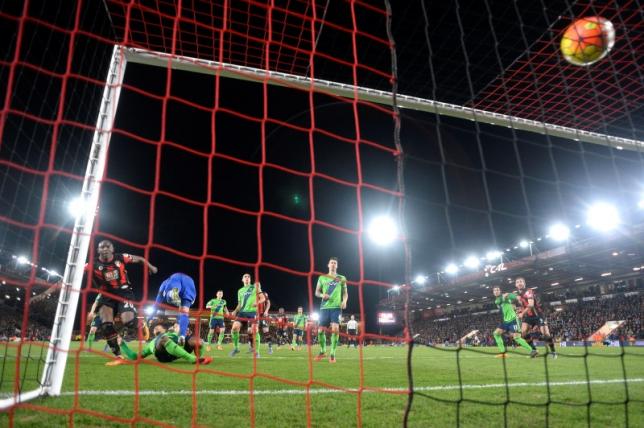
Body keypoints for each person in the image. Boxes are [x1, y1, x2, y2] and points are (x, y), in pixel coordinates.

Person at [87, 240, 157, 366]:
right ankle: (119, 357)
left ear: (112, 249)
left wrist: (151, 267)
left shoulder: (121, 258)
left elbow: (140, 259)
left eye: (107, 246)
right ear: (98, 250)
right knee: (106, 325)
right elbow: (76, 272)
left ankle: (141, 323)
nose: (104, 248)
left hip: (124, 292)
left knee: (128, 321)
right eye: (101, 247)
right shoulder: (93, 264)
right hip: (107, 296)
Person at [118, 320, 212, 365]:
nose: (155, 328)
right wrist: (122, 344)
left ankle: (200, 358)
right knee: (164, 339)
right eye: (154, 328)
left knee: (198, 341)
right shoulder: (151, 344)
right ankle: (193, 359)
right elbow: (135, 357)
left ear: (164, 329)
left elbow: (181, 329)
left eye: (158, 326)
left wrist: (179, 328)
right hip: (163, 355)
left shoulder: (173, 333)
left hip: (178, 348)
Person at [314, 257, 348, 363]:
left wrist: (344, 301)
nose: (333, 264)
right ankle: (323, 351)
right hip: (324, 307)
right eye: (331, 263)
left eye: (335, 263)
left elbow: (345, 293)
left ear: (337, 266)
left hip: (336, 308)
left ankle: (332, 353)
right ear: (328, 265)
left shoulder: (341, 278)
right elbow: (317, 292)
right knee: (320, 331)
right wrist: (322, 295)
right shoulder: (322, 277)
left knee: (335, 329)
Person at [515, 277, 557, 358]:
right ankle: (534, 350)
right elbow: (523, 305)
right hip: (528, 317)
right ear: (516, 284)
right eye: (517, 282)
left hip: (538, 315)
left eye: (521, 282)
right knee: (523, 333)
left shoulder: (528, 291)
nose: (519, 283)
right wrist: (519, 310)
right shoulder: (517, 295)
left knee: (545, 334)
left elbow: (530, 304)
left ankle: (553, 352)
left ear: (524, 283)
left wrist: (522, 314)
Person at [150, 272, 196, 346]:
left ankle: (172, 293)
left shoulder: (164, 283)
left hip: (177, 278)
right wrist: (178, 324)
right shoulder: (167, 282)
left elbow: (156, 304)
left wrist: (150, 317)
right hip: (190, 283)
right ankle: (182, 336)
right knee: (184, 312)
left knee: (172, 298)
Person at [492, 286, 537, 358]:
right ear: (493, 292)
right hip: (505, 321)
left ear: (500, 291)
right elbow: (499, 301)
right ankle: (503, 353)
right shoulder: (497, 300)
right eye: (495, 290)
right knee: (496, 333)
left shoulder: (506, 296)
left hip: (513, 320)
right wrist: (506, 297)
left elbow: (514, 297)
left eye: (497, 290)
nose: (496, 291)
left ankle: (532, 351)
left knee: (516, 337)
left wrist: (510, 294)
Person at [229, 274, 265, 357]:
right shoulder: (240, 290)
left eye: (248, 277)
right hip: (242, 313)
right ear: (242, 279)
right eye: (245, 277)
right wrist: (235, 311)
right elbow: (239, 304)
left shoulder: (255, 287)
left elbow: (262, 298)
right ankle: (236, 348)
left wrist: (257, 302)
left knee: (255, 330)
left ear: (250, 279)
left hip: (252, 313)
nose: (247, 278)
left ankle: (257, 352)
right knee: (234, 328)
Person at [256, 283, 272, 354]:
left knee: (266, 331)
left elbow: (268, 302)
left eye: (258, 285)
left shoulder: (264, 294)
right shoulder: (252, 295)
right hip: (254, 315)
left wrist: (266, 311)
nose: (257, 286)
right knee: (253, 331)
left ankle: (270, 347)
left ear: (260, 286)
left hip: (262, 315)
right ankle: (254, 349)